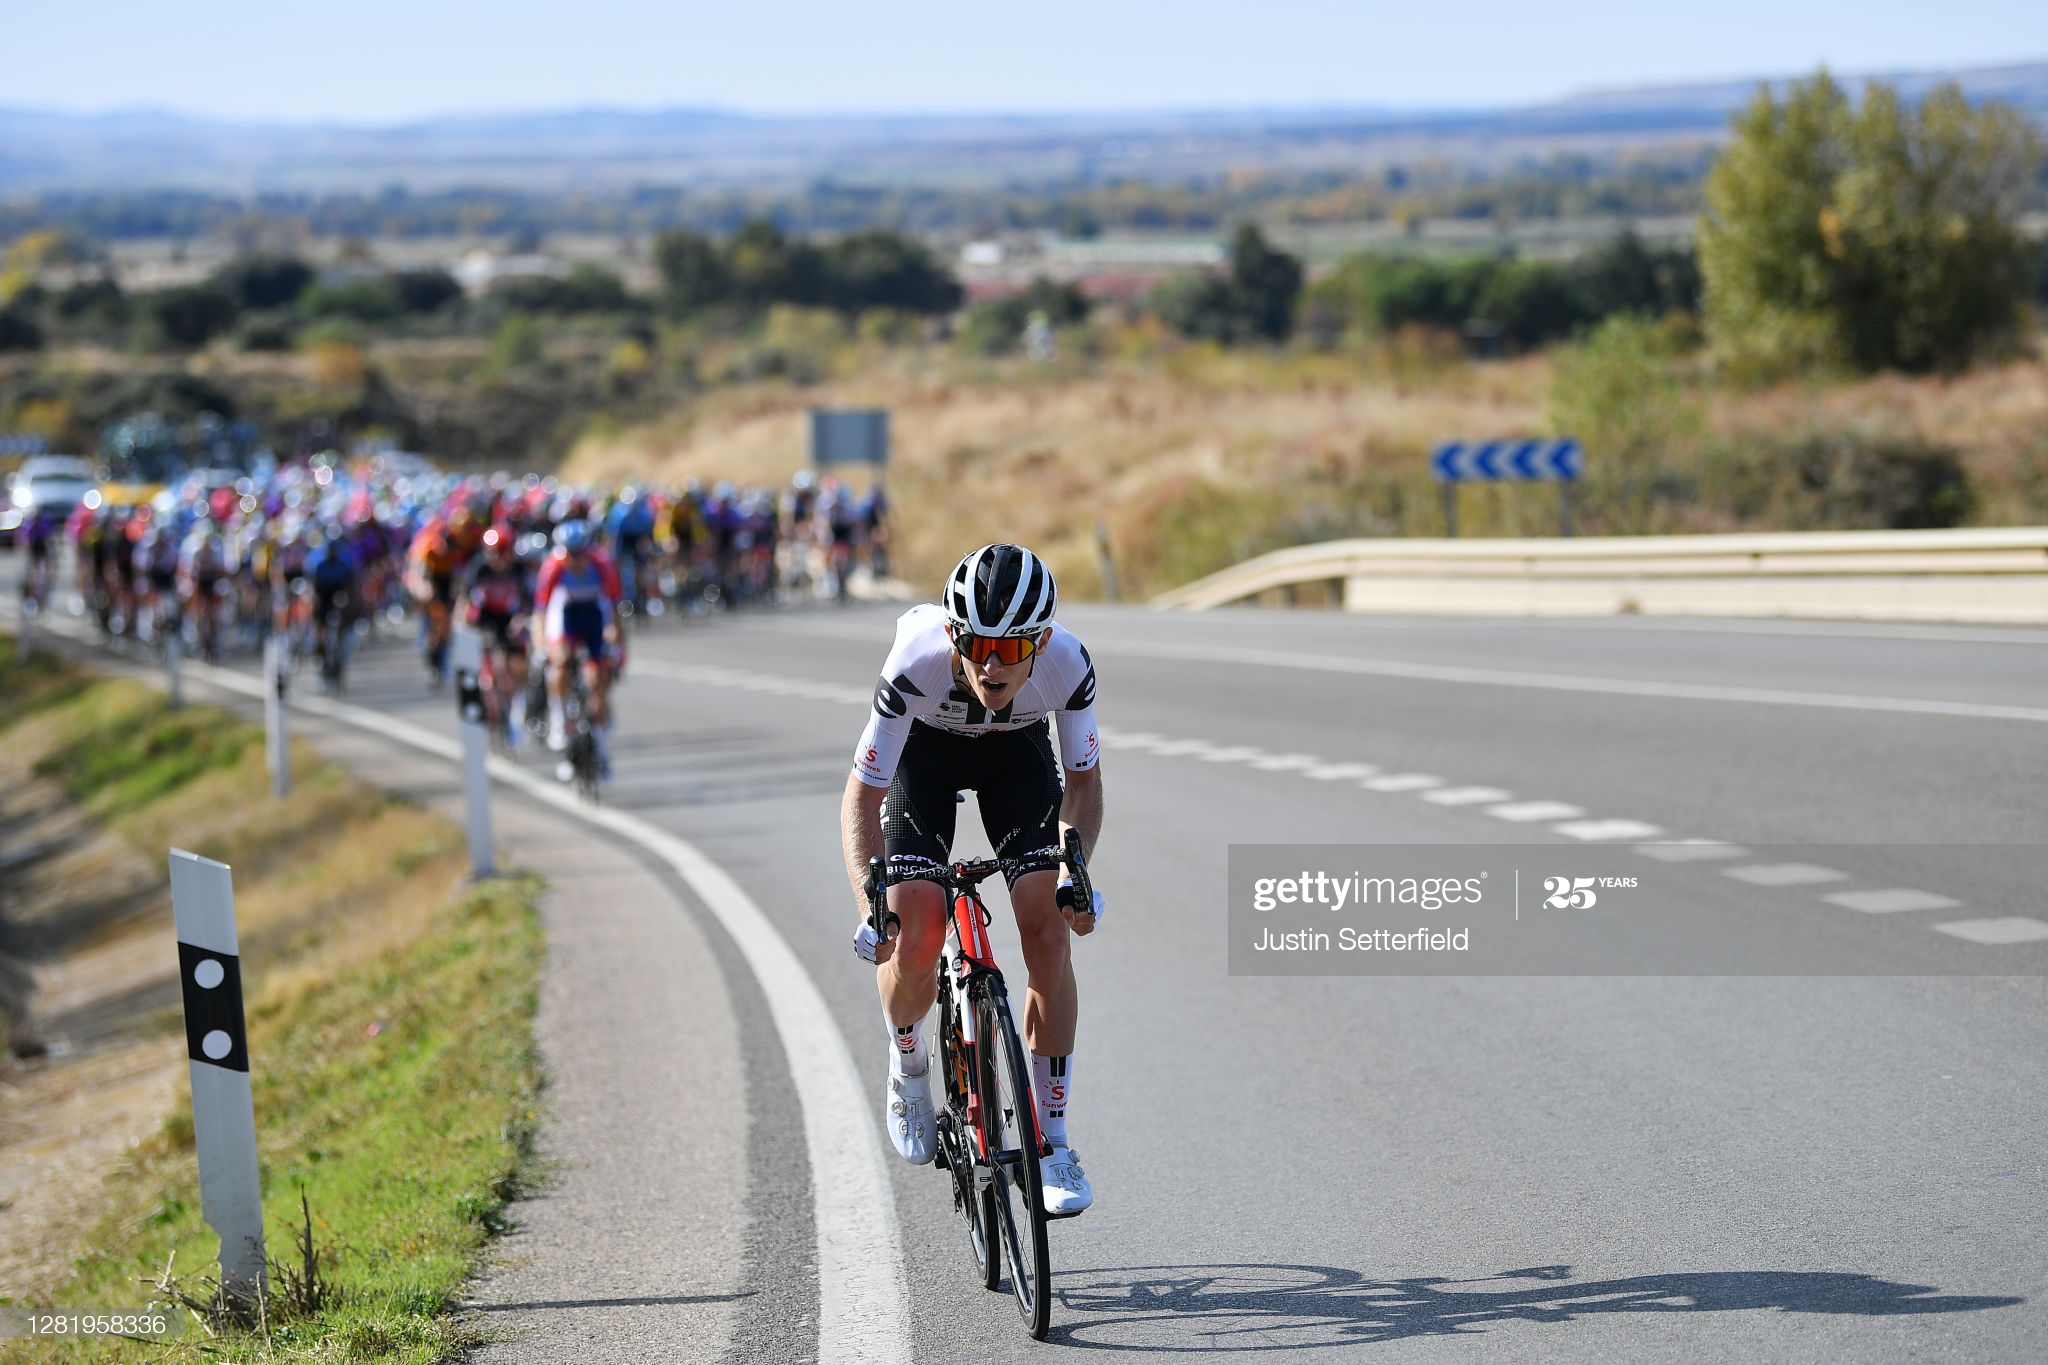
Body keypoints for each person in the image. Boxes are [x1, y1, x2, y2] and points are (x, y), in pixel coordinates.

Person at [841, 543, 1105, 1216]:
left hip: (1014, 758)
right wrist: (873, 905)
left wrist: (1075, 867)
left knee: (1048, 929)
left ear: (1039, 643)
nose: (992, 664)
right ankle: (908, 1062)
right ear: (954, 634)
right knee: (918, 931)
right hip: (922, 757)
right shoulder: (915, 662)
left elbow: (1084, 784)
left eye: (1013, 650)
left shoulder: (1067, 664)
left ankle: (1053, 1141)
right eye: (979, 644)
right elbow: (861, 798)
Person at [533, 518, 623, 774]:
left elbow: (614, 610)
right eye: (570, 554)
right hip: (566, 616)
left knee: (597, 681)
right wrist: (543, 648)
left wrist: (615, 641)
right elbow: (541, 614)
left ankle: (601, 746)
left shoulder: (602, 564)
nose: (575, 559)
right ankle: (560, 719)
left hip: (594, 616)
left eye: (580, 553)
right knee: (560, 663)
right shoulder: (552, 566)